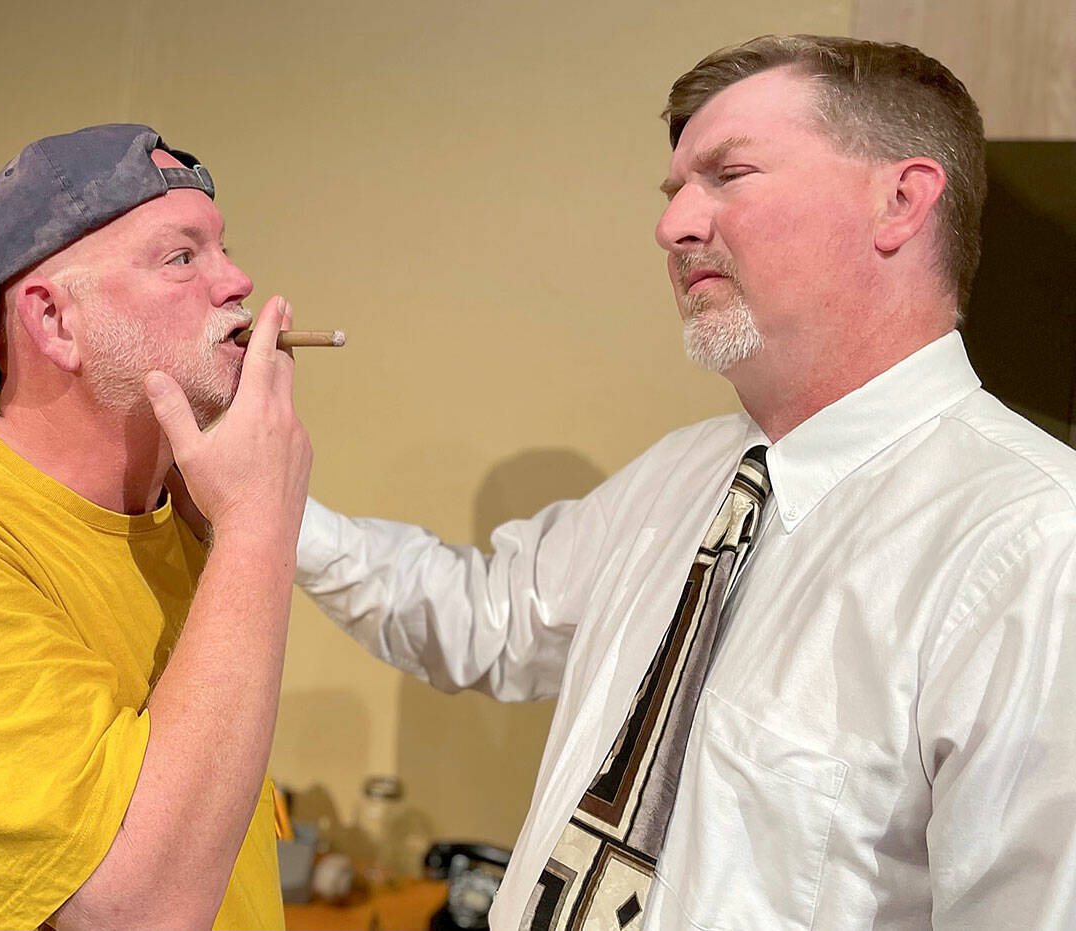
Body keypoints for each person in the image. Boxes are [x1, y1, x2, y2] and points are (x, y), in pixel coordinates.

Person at [295, 35, 1076, 929]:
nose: (672, 226)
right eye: (673, 193)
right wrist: (268, 505)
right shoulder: (683, 475)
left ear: (899, 201)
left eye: (729, 174)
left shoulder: (1037, 545)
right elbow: (488, 617)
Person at [0, 124, 312, 929]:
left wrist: (238, 528)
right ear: (54, 320)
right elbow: (138, 909)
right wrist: (255, 533)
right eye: (182, 257)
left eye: (224, 249)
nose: (237, 280)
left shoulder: (183, 523)